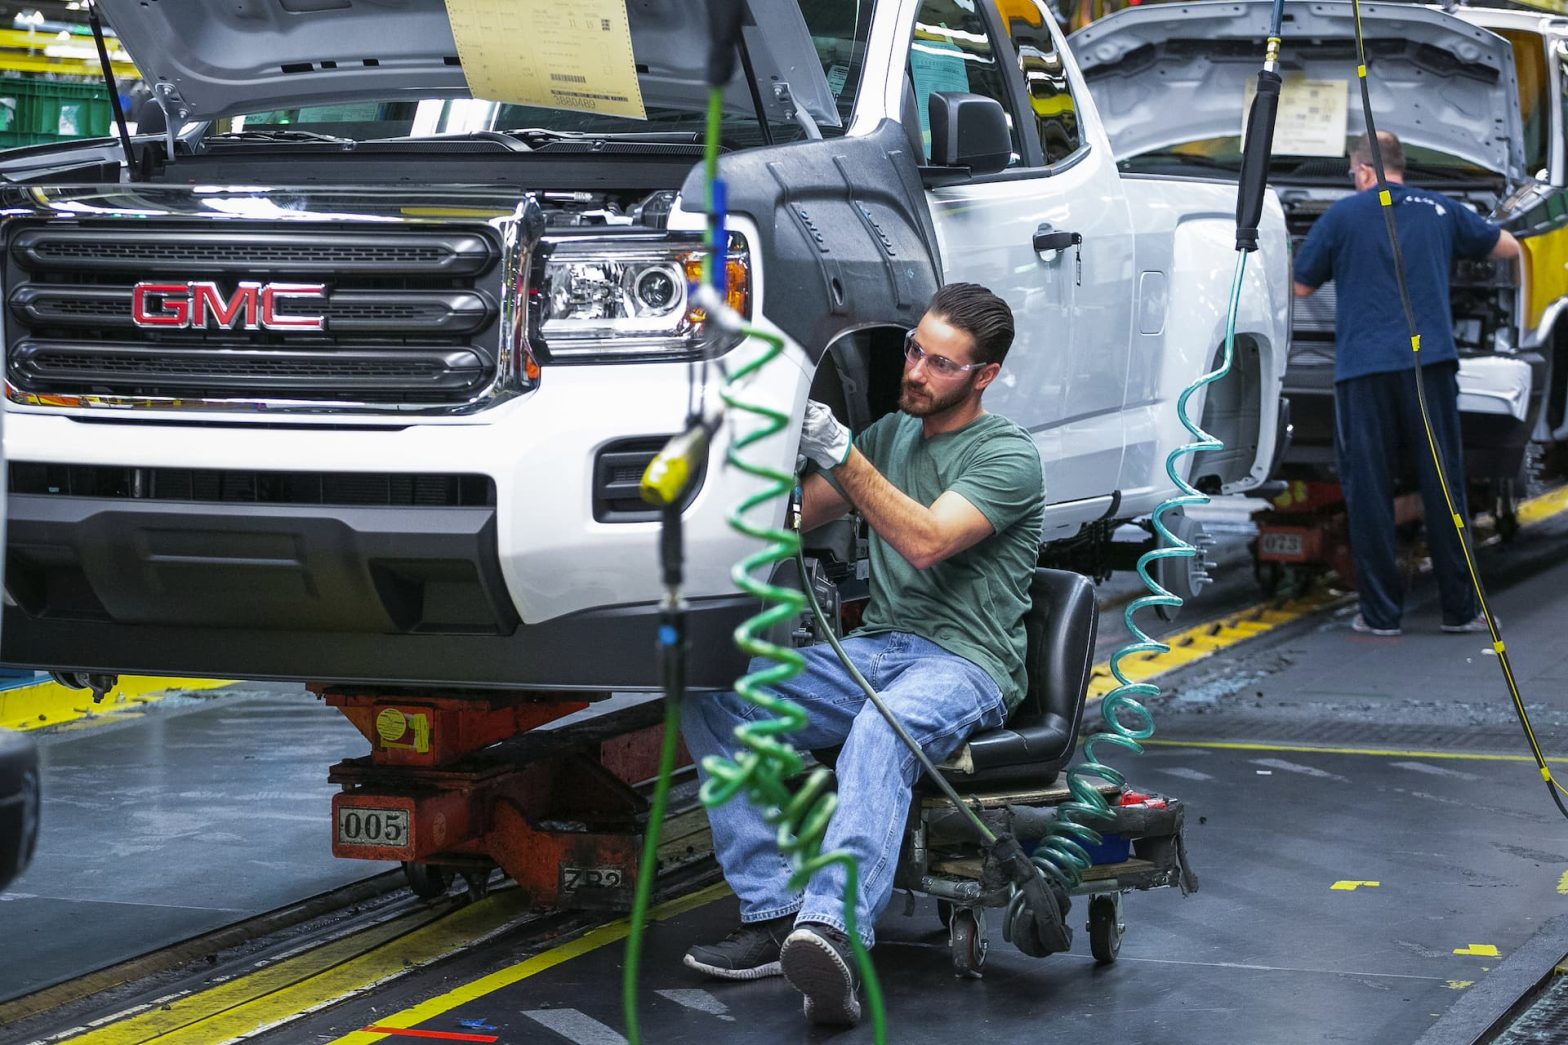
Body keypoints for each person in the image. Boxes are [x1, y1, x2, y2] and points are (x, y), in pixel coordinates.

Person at [680, 283, 1044, 1025]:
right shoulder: (889, 436)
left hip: (965, 663)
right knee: (715, 686)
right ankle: (777, 908)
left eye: (941, 364)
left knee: (883, 726)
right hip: (876, 649)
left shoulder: (1008, 455)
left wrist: (841, 450)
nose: (914, 371)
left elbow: (924, 538)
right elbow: (792, 512)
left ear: (984, 376)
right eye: (913, 349)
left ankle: (835, 933)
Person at [1293, 130, 1520, 637]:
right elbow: (1506, 246)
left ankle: (1380, 615)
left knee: (1369, 490)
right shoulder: (1440, 209)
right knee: (1444, 485)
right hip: (1430, 366)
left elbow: (1302, 283)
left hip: (1363, 371)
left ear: (1364, 171)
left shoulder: (1341, 216)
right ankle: (1460, 610)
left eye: (1354, 174)